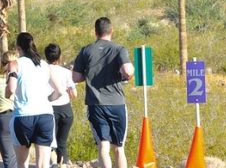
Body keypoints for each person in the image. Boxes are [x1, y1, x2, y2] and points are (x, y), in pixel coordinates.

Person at [72, 17, 134, 168]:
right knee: (119, 148)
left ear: (95, 32)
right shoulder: (119, 49)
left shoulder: (86, 50)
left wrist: (89, 73)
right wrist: (128, 75)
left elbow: (76, 77)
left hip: (96, 105)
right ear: (111, 31)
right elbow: (128, 71)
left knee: (103, 147)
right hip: (117, 104)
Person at [7, 33, 64, 168]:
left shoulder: (15, 64)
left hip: (23, 116)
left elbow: (11, 89)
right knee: (43, 164)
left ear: (18, 47)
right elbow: (60, 91)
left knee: (22, 163)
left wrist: (6, 92)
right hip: (45, 116)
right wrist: (49, 99)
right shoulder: (44, 65)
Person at [46, 44, 77, 167]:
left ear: (46, 56)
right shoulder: (66, 72)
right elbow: (74, 94)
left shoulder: (43, 70)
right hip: (66, 110)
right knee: (62, 142)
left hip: (49, 109)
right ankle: (64, 164)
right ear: (60, 56)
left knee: (50, 142)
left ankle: (53, 163)